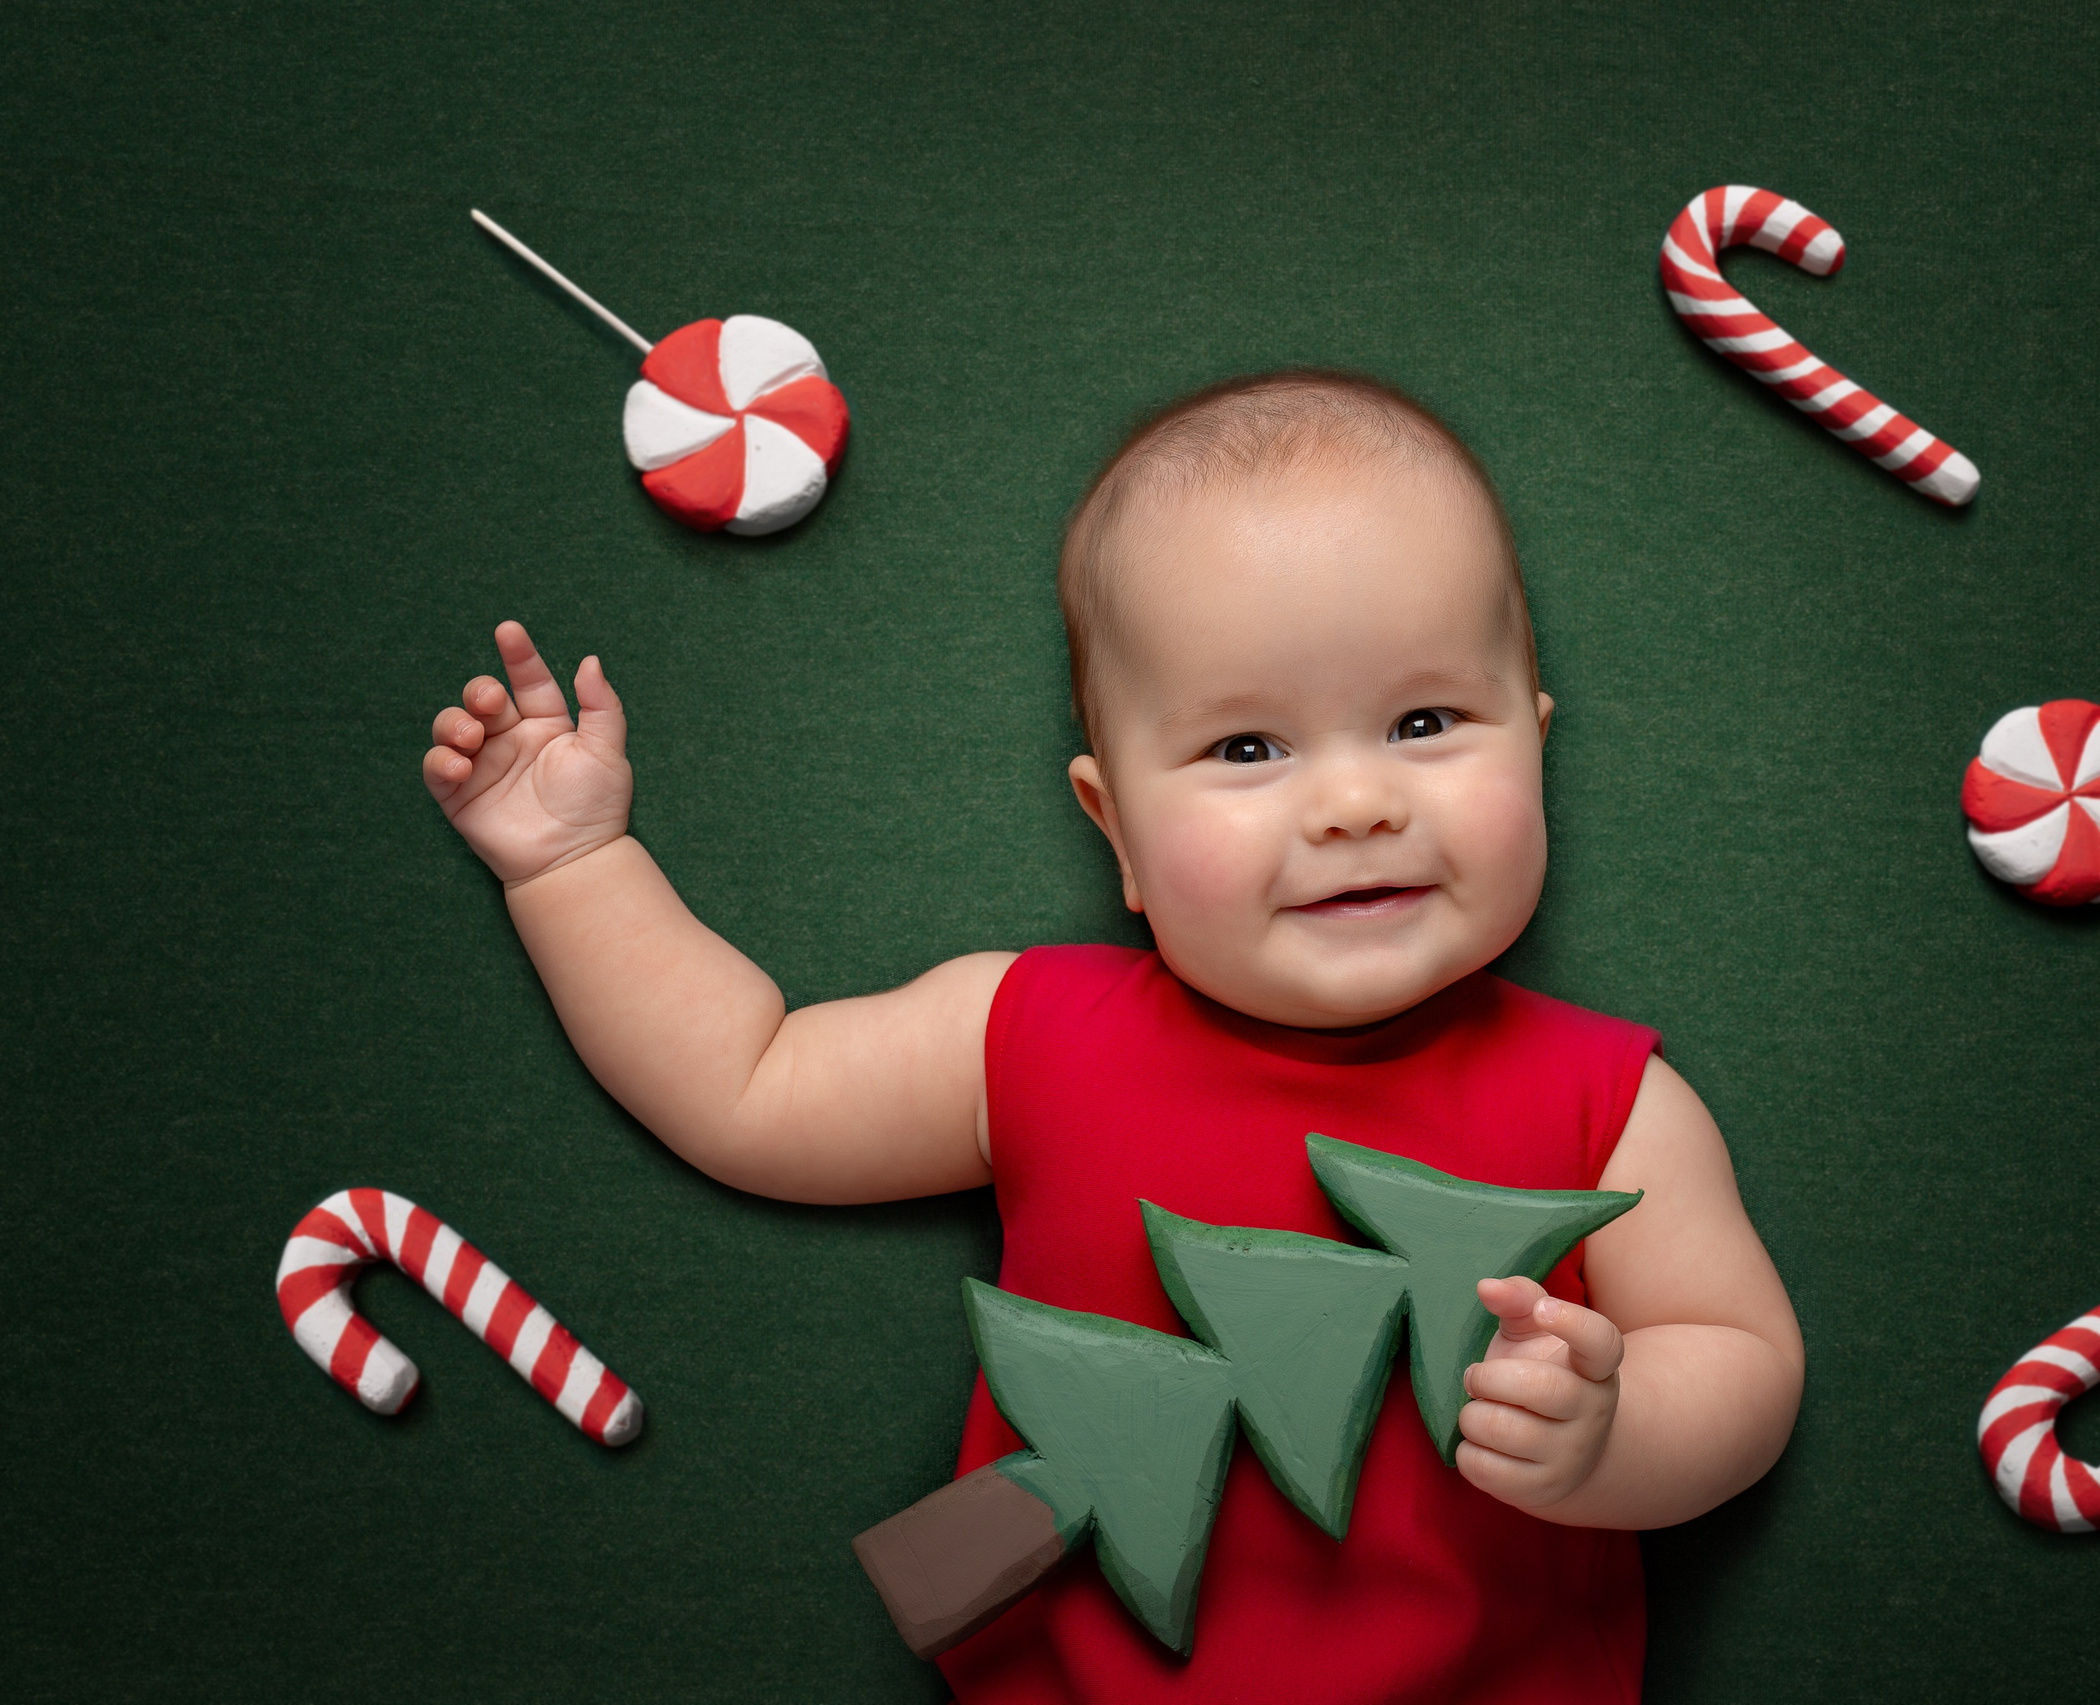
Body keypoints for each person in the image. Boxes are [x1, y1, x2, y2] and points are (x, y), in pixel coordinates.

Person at [422, 370, 1802, 1701]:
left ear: (1537, 745)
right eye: (1247, 749)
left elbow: (1741, 1359)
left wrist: (1614, 1435)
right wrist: (571, 868)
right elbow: (748, 1082)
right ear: (1116, 829)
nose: (1354, 802)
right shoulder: (1032, 1031)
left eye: (1426, 721)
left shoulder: (1609, 1104)